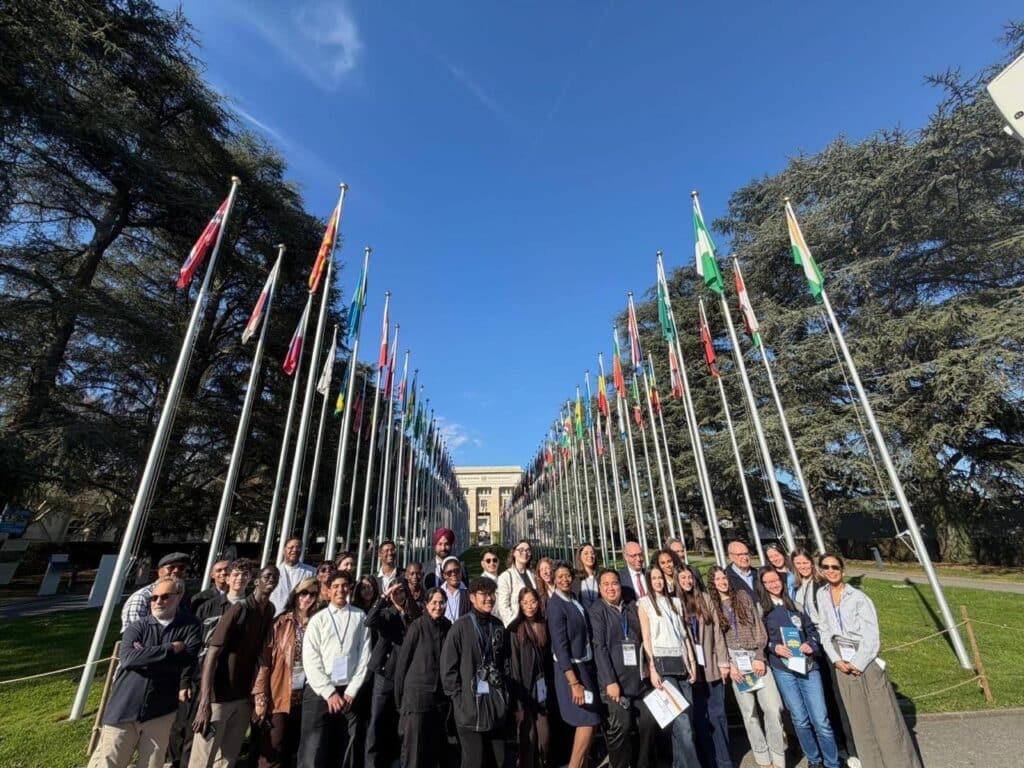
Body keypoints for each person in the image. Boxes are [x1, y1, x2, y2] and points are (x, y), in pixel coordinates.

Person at [816, 553, 923, 768]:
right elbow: (824, 629)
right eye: (826, 567)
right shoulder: (821, 595)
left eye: (835, 567)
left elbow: (872, 635)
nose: (830, 571)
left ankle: (900, 763)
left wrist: (858, 661)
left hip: (863, 657)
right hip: (840, 660)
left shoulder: (858, 598)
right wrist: (836, 660)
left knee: (884, 717)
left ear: (843, 570)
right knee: (859, 720)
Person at [89, 576, 201, 768]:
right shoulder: (138, 627)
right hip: (124, 709)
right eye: (154, 597)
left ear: (179, 596)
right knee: (110, 762)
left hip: (161, 711)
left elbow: (187, 659)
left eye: (165, 596)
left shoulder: (191, 626)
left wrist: (146, 655)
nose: (158, 602)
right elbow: (129, 658)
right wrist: (170, 649)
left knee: (152, 763)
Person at [189, 564, 280, 768]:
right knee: (203, 757)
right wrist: (204, 702)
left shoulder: (269, 610)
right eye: (267, 576)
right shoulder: (239, 609)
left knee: (227, 758)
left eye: (275, 577)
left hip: (243, 696)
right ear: (256, 581)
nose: (271, 580)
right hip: (219, 695)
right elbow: (212, 652)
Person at [757, 566, 840, 768]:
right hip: (784, 670)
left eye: (775, 580)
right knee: (800, 719)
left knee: (821, 720)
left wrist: (809, 644)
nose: (773, 584)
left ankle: (832, 762)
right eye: (767, 582)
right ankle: (814, 759)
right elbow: (761, 639)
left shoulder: (797, 606)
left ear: (782, 581)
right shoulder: (762, 611)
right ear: (763, 586)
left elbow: (812, 632)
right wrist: (774, 646)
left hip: (808, 668)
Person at [709, 565, 785, 768]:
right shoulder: (714, 606)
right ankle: (762, 757)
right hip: (736, 661)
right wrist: (729, 665)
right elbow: (717, 639)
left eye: (724, 578)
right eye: (717, 579)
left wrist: (760, 655)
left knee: (773, 707)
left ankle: (778, 756)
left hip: (755, 656)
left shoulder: (742, 596)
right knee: (749, 712)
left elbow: (759, 627)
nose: (722, 582)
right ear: (713, 584)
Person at [298, 570, 373, 768]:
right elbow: (311, 659)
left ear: (349, 589)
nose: (341, 590)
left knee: (345, 748)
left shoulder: (359, 616)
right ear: (329, 591)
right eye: (336, 586)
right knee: (313, 749)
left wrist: (351, 690)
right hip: (320, 692)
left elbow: (365, 656)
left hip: (349, 692)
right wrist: (329, 692)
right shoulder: (318, 619)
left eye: (344, 586)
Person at [441, 578, 512, 768]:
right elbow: (448, 669)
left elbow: (506, 663)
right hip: (469, 709)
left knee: (500, 760)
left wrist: (504, 695)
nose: (489, 598)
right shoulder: (460, 627)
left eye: (491, 594)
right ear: (472, 598)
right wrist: (459, 700)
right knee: (474, 761)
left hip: (496, 706)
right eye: (484, 594)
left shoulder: (498, 626)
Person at [589, 567, 656, 768]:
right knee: (622, 725)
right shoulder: (596, 611)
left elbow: (644, 638)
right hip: (614, 683)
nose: (611, 588)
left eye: (615, 583)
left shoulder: (631, 608)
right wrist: (610, 682)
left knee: (649, 720)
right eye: (606, 584)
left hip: (638, 681)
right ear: (600, 588)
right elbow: (599, 648)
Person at [252, 577, 321, 768]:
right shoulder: (281, 623)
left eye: (312, 594)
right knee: (273, 748)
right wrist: (260, 695)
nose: (307, 598)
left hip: (307, 695)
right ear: (296, 595)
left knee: (295, 748)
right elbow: (265, 660)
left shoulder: (319, 622)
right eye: (303, 593)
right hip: (280, 693)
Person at [637, 564, 701, 768]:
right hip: (663, 664)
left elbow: (684, 636)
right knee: (682, 724)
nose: (658, 581)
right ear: (649, 581)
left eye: (660, 578)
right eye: (654, 578)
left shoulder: (675, 603)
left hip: (681, 664)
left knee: (685, 722)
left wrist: (692, 663)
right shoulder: (645, 603)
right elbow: (646, 638)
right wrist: (652, 668)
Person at [676, 565, 732, 768]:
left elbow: (717, 632)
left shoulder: (706, 599)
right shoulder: (676, 603)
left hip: (712, 665)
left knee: (718, 715)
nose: (687, 581)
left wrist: (724, 662)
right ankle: (708, 761)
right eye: (683, 577)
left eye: (690, 577)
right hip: (692, 671)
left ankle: (724, 761)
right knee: (700, 719)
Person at [547, 561, 600, 768]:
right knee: (587, 719)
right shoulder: (555, 605)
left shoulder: (573, 598)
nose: (565, 579)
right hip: (570, 671)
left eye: (567, 575)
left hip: (584, 665)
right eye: (559, 576)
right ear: (554, 579)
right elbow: (560, 648)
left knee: (591, 721)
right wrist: (573, 682)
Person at [394, 588, 452, 768]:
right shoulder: (417, 626)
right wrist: (400, 700)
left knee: (432, 751)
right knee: (413, 753)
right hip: (416, 699)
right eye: (434, 602)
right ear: (426, 604)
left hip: (438, 701)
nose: (438, 606)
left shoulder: (447, 626)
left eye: (441, 602)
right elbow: (402, 664)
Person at [365, 579, 419, 768]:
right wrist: (384, 596)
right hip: (385, 674)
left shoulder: (414, 614)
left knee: (400, 722)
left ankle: (397, 760)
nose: (400, 595)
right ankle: (372, 763)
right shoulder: (387, 614)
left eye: (402, 591)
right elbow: (369, 621)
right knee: (377, 721)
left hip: (405, 676)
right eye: (396, 592)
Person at [508, 586, 551, 768]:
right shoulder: (515, 629)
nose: (529, 606)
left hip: (542, 691)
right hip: (524, 692)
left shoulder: (543, 625)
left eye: (533, 602)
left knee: (544, 738)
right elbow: (515, 667)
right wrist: (519, 700)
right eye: (525, 602)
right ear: (519, 604)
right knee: (528, 739)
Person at [122, 552, 190, 632]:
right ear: (160, 572)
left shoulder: (184, 597)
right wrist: (173, 645)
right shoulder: (142, 597)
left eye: (181, 568)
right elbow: (134, 634)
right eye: (171, 567)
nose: (176, 571)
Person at [270, 539, 315, 617]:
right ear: (284, 550)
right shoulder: (273, 573)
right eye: (291, 547)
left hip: (301, 619)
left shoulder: (311, 572)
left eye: (298, 547)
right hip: (275, 618)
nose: (294, 550)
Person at [497, 540, 536, 625]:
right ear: (514, 553)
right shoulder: (506, 577)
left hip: (533, 623)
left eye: (528, 550)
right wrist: (515, 624)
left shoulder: (533, 575)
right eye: (521, 550)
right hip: (517, 626)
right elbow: (503, 607)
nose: (525, 553)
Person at [438, 556, 470, 621]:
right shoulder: (438, 593)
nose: (453, 574)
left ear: (461, 572)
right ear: (444, 575)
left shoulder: (469, 593)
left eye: (457, 571)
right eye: (449, 572)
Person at [574, 543, 600, 608]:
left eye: (592, 553)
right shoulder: (575, 577)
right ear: (580, 557)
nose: (590, 556)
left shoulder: (601, 576)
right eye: (586, 553)